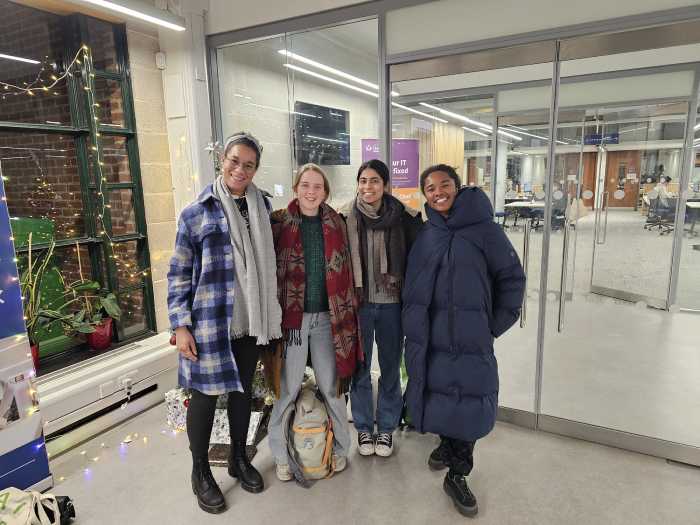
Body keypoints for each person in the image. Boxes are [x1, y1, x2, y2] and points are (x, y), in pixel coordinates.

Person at [167, 132, 281, 514]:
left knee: (241, 393)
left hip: (251, 320)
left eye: (248, 164)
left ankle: (238, 458)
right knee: (203, 398)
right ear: (222, 160)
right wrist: (180, 325)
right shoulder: (195, 212)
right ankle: (200, 471)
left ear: (255, 169)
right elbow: (179, 273)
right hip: (210, 323)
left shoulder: (262, 207)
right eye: (234, 161)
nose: (240, 169)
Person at [402, 164, 525, 517]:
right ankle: (445, 445)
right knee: (439, 395)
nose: (438, 192)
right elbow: (414, 282)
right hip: (432, 338)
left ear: (458, 187)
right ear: (424, 194)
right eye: (430, 188)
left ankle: (458, 473)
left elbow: (512, 279)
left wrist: (491, 327)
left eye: (445, 185)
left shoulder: (485, 231)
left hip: (471, 339)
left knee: (469, 402)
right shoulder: (428, 234)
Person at [267, 163, 362, 481]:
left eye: (317, 187)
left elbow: (346, 272)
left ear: (325, 192)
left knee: (331, 388)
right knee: (288, 389)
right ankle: (280, 455)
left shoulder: (337, 223)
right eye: (305, 185)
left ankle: (338, 450)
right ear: (296, 188)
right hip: (292, 321)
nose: (311, 191)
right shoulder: (279, 222)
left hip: (328, 319)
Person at [338, 159, 422, 457]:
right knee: (360, 369)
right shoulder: (343, 216)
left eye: (374, 180)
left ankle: (385, 429)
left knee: (389, 368)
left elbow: (416, 262)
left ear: (385, 185)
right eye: (362, 180)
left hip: (392, 306)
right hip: (358, 305)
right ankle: (363, 428)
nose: (367, 186)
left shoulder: (404, 217)